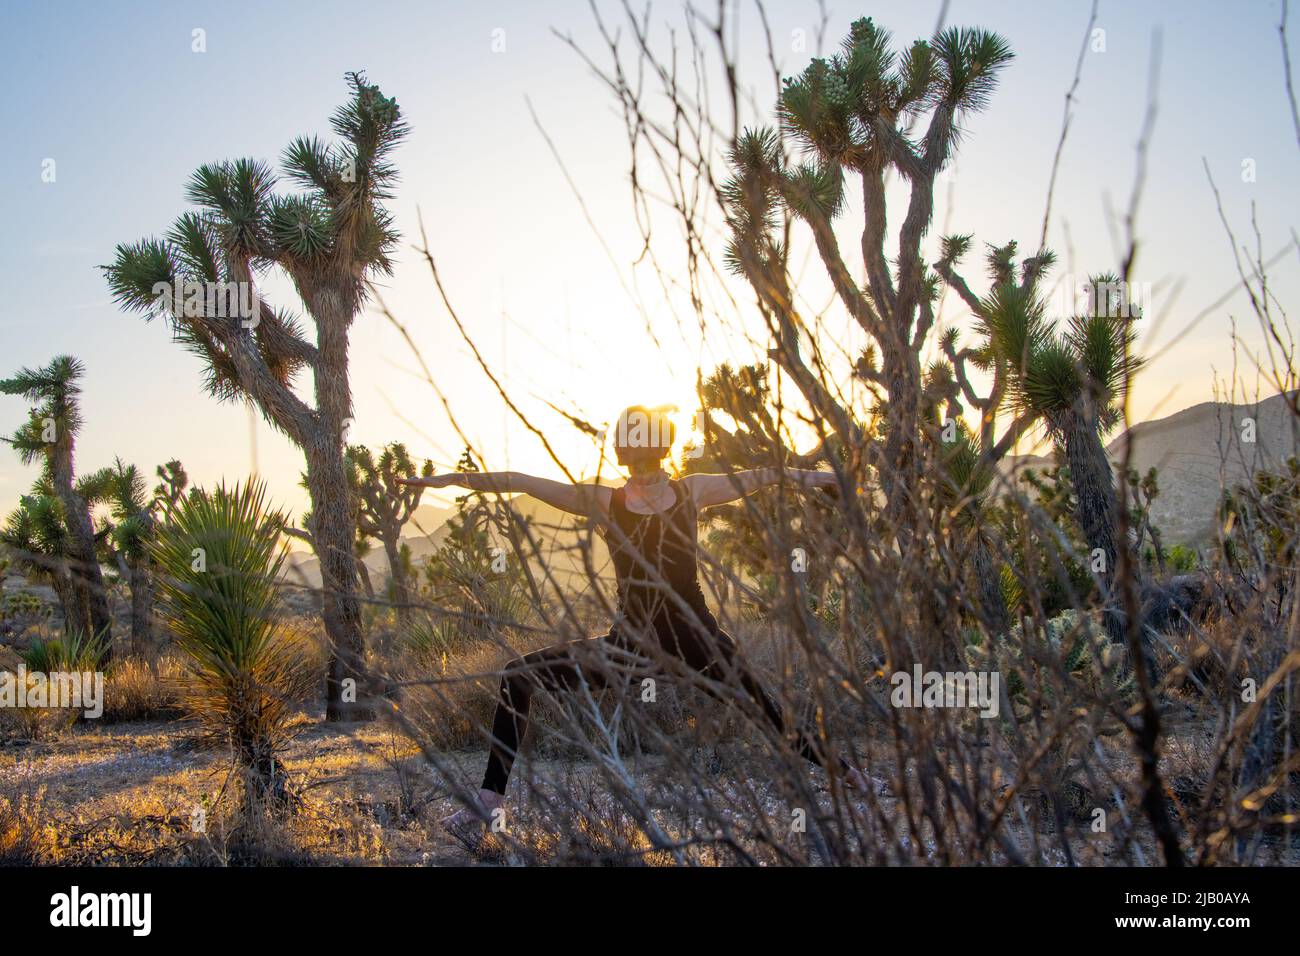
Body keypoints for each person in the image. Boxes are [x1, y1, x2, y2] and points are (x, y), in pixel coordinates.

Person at [398, 405, 865, 835]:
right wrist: (453, 480)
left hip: (699, 643)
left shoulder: (693, 490)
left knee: (769, 714)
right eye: (631, 462)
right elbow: (521, 480)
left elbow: (763, 475)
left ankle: (848, 776)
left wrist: (823, 478)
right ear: (623, 458)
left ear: (661, 454)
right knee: (518, 676)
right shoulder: (606, 501)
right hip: (629, 648)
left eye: (646, 461)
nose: (640, 472)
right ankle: (490, 802)